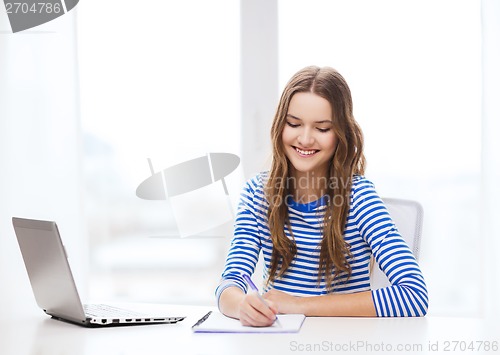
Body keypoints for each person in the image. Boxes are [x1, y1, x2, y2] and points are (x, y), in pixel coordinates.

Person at [215, 66, 428, 326]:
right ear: (280, 126)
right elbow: (229, 285)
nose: (305, 139)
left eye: (323, 128)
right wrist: (241, 306)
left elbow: (414, 295)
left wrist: (299, 305)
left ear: (341, 135)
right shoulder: (257, 195)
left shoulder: (359, 197)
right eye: (294, 124)